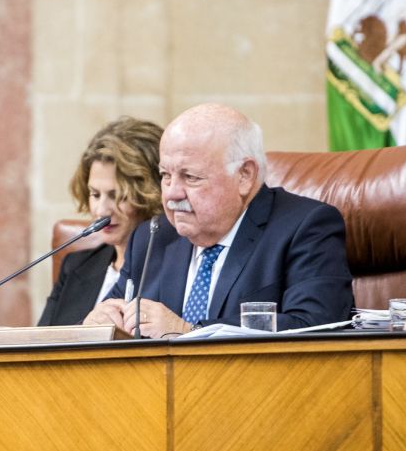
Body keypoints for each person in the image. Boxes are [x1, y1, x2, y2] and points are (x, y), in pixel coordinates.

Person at [84, 104, 354, 337]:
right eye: (166, 175)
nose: (172, 193)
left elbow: (314, 325)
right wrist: (100, 324)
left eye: (191, 177)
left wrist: (188, 332)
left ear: (244, 175)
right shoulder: (152, 236)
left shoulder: (305, 227)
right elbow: (111, 321)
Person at [38, 117, 163, 326]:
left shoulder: (174, 269)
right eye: (95, 194)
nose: (102, 210)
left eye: (117, 196)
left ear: (150, 194)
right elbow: (42, 341)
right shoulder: (75, 266)